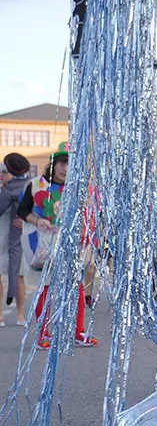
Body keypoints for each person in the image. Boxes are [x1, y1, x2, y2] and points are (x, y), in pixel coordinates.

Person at [16, 143, 95, 346]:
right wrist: (38, 220)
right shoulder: (36, 185)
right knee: (45, 287)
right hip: (42, 246)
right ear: (54, 164)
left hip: (70, 246)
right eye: (62, 162)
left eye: (70, 163)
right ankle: (43, 334)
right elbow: (22, 211)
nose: (65, 168)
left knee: (75, 286)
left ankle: (78, 332)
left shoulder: (78, 190)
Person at [0, 154, 31, 328]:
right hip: (1, 235)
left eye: (4, 171)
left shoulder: (25, 186)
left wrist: (25, 218)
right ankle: (0, 316)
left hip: (15, 235)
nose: (2, 174)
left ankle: (20, 314)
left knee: (19, 276)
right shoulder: (6, 188)